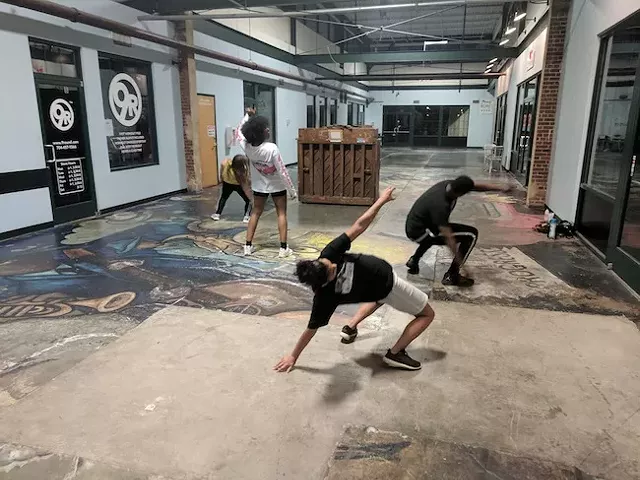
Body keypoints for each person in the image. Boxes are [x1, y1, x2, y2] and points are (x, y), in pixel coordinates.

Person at [274, 187, 436, 372]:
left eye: (328, 263)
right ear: (323, 283)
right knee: (427, 315)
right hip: (390, 286)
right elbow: (311, 329)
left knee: (379, 299)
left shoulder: (329, 253)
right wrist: (293, 356)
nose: (334, 265)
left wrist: (381, 200)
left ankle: (350, 327)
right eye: (332, 271)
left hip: (375, 288)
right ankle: (395, 353)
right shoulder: (324, 298)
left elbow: (359, 225)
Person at [404, 175, 510, 287]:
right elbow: (450, 239)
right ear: (461, 193)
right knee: (471, 235)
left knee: (434, 233)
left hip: (419, 225)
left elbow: (476, 187)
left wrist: (500, 188)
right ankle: (452, 276)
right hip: (420, 233)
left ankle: (414, 260)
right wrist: (464, 267)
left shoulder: (449, 185)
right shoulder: (441, 206)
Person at [237, 108, 297, 258]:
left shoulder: (247, 147)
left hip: (259, 186)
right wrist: (292, 191)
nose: (268, 129)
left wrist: (247, 116)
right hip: (277, 186)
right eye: (265, 129)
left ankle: (247, 246)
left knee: (255, 213)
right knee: (281, 213)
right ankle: (283, 249)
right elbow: (282, 171)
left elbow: (238, 132)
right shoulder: (272, 148)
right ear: (260, 133)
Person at [211, 154, 252, 223]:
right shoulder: (242, 169)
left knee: (223, 198)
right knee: (248, 200)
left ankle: (217, 214)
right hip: (238, 185)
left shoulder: (226, 163)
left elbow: (222, 166)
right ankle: (246, 216)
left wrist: (221, 178)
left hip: (227, 183)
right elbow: (246, 180)